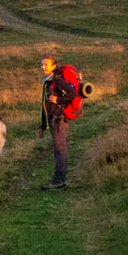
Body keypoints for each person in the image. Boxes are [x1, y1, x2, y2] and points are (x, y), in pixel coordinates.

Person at [38, 57, 83, 190]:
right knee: (59, 149)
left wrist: (59, 99)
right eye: (42, 65)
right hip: (54, 118)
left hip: (59, 118)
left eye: (46, 65)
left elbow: (73, 94)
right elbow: (44, 103)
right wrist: (42, 124)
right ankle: (59, 180)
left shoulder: (57, 80)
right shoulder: (49, 81)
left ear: (54, 66)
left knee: (60, 149)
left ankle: (59, 182)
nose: (43, 67)